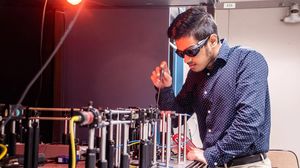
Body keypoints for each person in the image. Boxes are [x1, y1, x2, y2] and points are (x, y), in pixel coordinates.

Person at [150, 6, 271, 168]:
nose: (186, 60)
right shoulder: (196, 74)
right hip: (214, 163)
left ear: (212, 40)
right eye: (181, 54)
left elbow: (249, 122)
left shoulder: (248, 60)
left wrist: (212, 154)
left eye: (191, 51)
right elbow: (176, 118)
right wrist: (165, 89)